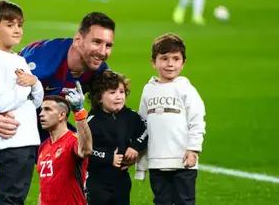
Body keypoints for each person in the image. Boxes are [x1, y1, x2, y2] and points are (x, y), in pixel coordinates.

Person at [0, 11, 115, 204]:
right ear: (78, 39)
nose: (103, 51)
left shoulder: (98, 71)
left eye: (108, 45)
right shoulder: (44, 60)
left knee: (75, 159)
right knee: (15, 169)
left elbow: (102, 113)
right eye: (96, 42)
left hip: (45, 118)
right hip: (1, 114)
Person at [0, 0, 44, 205]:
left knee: (17, 197)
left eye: (20, 25)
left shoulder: (18, 59)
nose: (17, 30)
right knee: (10, 198)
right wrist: (26, 87)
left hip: (27, 139)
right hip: (11, 141)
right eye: (9, 25)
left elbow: (36, 101)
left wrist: (34, 82)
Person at [135, 33, 206, 205]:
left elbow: (197, 120)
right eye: (164, 58)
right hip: (157, 162)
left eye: (176, 58)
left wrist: (193, 149)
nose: (170, 63)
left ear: (183, 63)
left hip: (183, 162)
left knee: (185, 202)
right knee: (161, 201)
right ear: (154, 62)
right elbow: (142, 125)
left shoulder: (186, 89)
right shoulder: (148, 90)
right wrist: (141, 163)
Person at [86, 70, 147, 205]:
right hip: (97, 181)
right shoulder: (91, 121)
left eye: (121, 91)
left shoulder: (131, 116)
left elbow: (145, 131)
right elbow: (85, 150)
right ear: (99, 98)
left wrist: (135, 146)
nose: (119, 96)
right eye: (112, 93)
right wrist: (108, 157)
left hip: (121, 179)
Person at [37, 89, 92, 205]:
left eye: (47, 109)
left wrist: (79, 112)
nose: (41, 113)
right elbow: (43, 188)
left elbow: (86, 150)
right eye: (41, 109)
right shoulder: (43, 147)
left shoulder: (73, 141)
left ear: (62, 115)